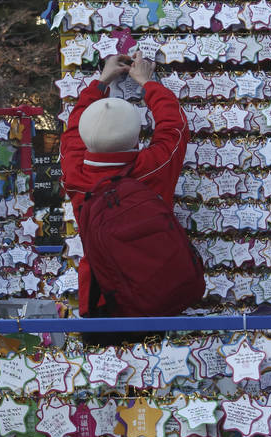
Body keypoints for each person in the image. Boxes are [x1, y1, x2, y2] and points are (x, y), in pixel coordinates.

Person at [61, 52, 190, 332]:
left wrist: (101, 81)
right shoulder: (152, 168)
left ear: (85, 139)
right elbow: (174, 127)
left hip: (100, 298)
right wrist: (147, 83)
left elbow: (72, 133)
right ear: (136, 136)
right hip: (157, 295)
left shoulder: (75, 175)